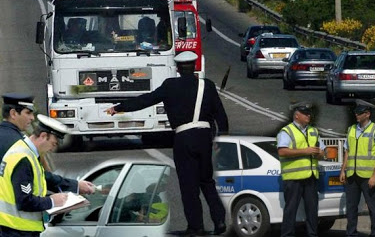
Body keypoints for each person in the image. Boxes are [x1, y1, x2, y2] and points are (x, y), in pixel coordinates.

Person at [107, 51, 228, 236]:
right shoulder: (208, 85)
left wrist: (119, 107)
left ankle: (196, 227)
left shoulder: (170, 85)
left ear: (178, 68)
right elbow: (221, 115)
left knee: (189, 186)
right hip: (204, 137)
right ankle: (219, 221)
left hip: (184, 137)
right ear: (195, 66)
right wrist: (222, 139)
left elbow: (146, 100)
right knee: (207, 181)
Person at [0, 93, 95, 195]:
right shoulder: (15, 143)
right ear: (13, 113)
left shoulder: (9, 136)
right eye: (28, 113)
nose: (32, 118)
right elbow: (38, 176)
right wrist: (73, 187)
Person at [0, 114, 71, 236]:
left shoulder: (24, 151)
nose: (52, 149)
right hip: (18, 230)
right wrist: (52, 201)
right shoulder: (23, 158)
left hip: (14, 228)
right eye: (53, 144)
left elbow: (28, 192)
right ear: (43, 136)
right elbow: (24, 201)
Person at [277, 102, 325, 237]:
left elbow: (323, 152)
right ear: (297, 116)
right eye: (305, 114)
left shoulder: (313, 131)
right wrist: (306, 151)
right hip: (293, 178)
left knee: (312, 210)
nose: (308, 116)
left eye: (309, 113)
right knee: (290, 210)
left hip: (310, 177)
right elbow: (282, 152)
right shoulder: (287, 131)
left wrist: (319, 153)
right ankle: (287, 235)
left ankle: (312, 234)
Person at [339, 99, 375, 237]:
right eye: (356, 113)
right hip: (352, 175)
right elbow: (347, 151)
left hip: (368, 177)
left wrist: (374, 176)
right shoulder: (351, 129)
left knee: (374, 208)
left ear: (367, 114)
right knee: (351, 207)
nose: (356, 115)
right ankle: (351, 233)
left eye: (359, 113)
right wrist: (343, 170)